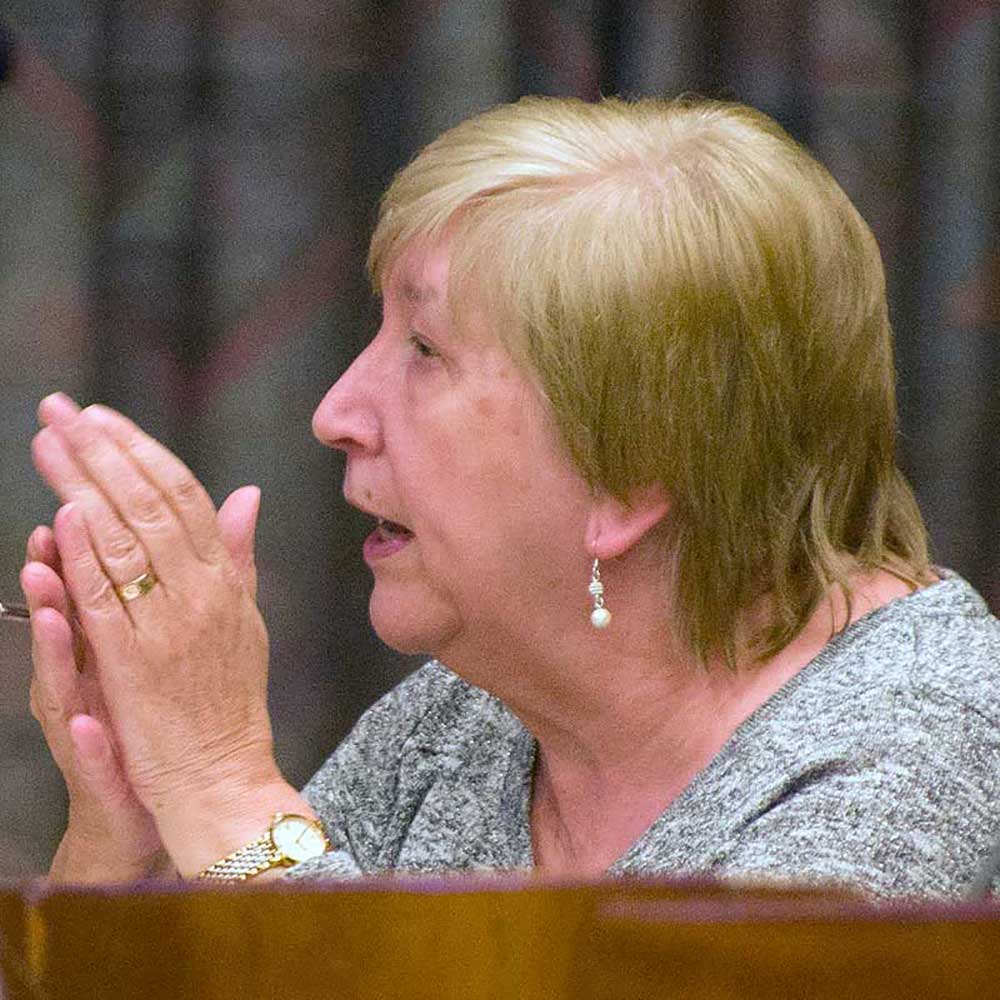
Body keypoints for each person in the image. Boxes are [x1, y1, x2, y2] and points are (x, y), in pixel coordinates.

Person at [22, 95, 1000, 895]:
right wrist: (137, 839)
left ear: (629, 475)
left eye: (424, 349)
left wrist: (221, 783)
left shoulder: (913, 755)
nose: (334, 412)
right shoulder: (466, 722)